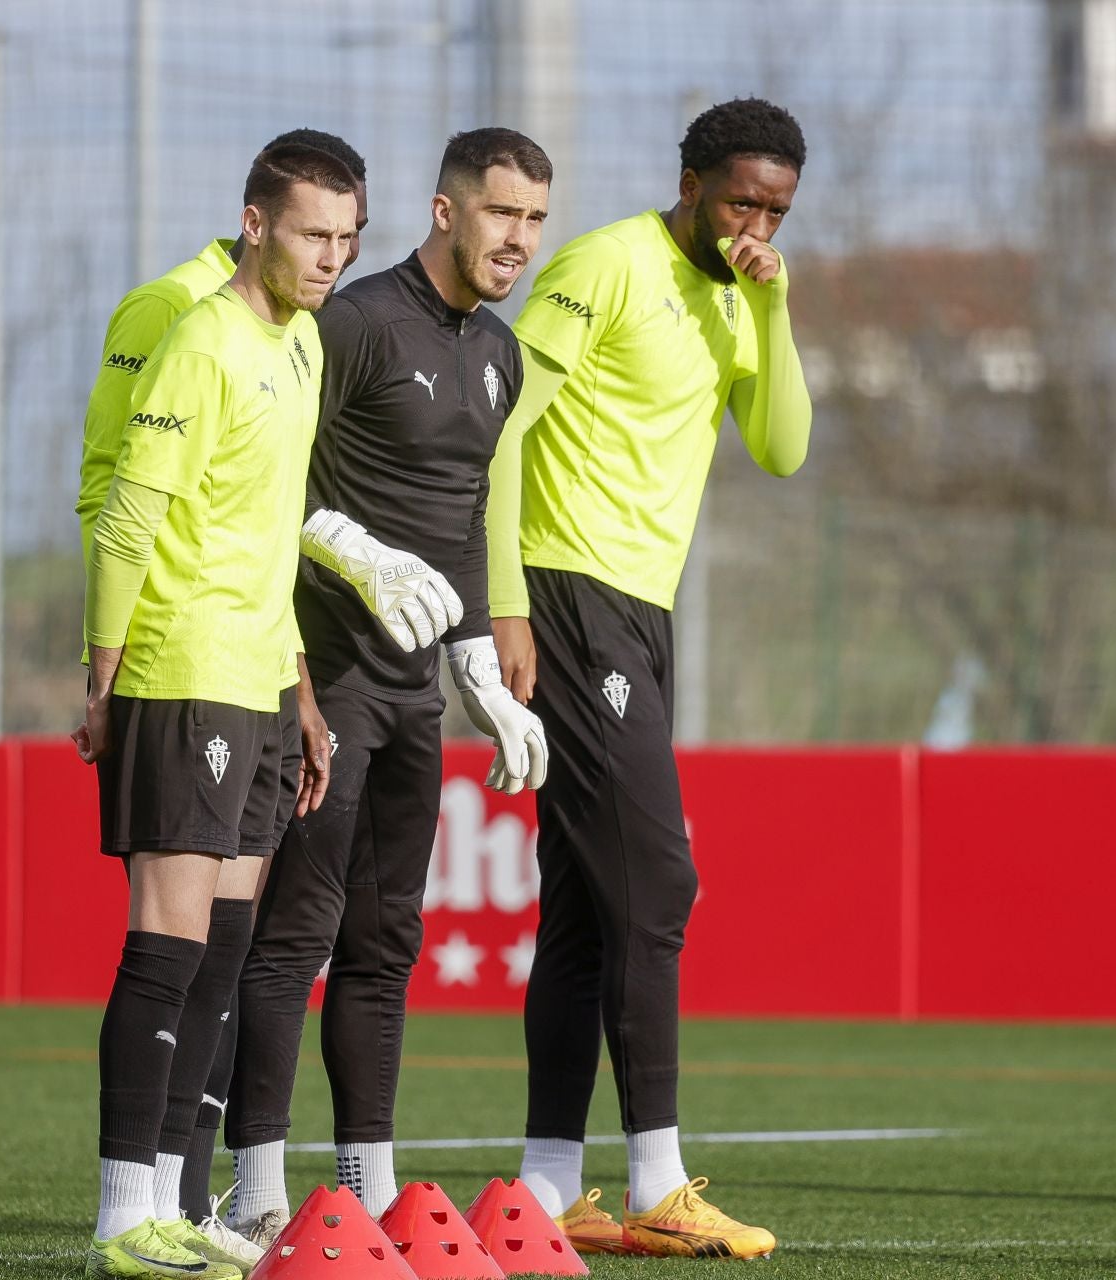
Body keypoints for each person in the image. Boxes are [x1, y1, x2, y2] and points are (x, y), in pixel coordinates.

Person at [484, 97, 812, 1260]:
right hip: (569, 593)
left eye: (775, 207)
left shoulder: (742, 300)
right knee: (661, 885)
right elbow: (507, 429)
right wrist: (507, 602)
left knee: (585, 908)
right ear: (690, 181)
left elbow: (782, 443)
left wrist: (771, 309)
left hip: (644, 614)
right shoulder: (602, 264)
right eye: (739, 200)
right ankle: (661, 1177)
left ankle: (544, 1190)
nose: (754, 222)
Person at [223, 128, 554, 1236]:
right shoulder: (356, 321)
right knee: (296, 932)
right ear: (447, 210)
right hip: (327, 679)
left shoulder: (502, 355)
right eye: (503, 213)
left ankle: (364, 1185)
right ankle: (260, 1191)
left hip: (416, 693)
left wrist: (479, 675)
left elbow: (461, 523)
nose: (520, 238)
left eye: (536, 219)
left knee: (388, 938)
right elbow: (282, 481)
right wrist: (356, 553)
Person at [73, 130, 368, 1258]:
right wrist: (101, 671)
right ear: (256, 223)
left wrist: (299, 688)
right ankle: (120, 1214)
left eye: (347, 238)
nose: (330, 257)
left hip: (255, 677)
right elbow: (130, 511)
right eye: (312, 233)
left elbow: (265, 534)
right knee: (167, 944)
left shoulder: (300, 347)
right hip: (180, 670)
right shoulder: (199, 336)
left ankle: (175, 1206)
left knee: (228, 949)